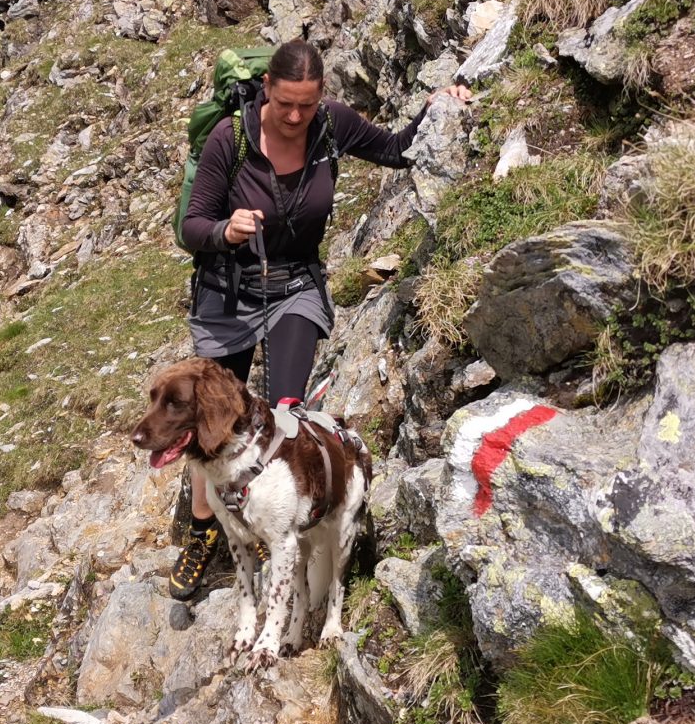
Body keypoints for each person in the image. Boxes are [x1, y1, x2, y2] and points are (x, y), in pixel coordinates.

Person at [167, 37, 472, 602]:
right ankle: (203, 530)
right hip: (226, 294)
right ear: (267, 90)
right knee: (209, 421)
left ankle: (275, 523)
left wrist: (439, 108)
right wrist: (223, 231)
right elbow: (192, 225)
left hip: (295, 288)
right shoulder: (229, 138)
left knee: (285, 415)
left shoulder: (331, 126)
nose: (294, 116)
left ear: (321, 97)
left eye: (306, 105)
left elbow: (399, 149)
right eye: (284, 103)